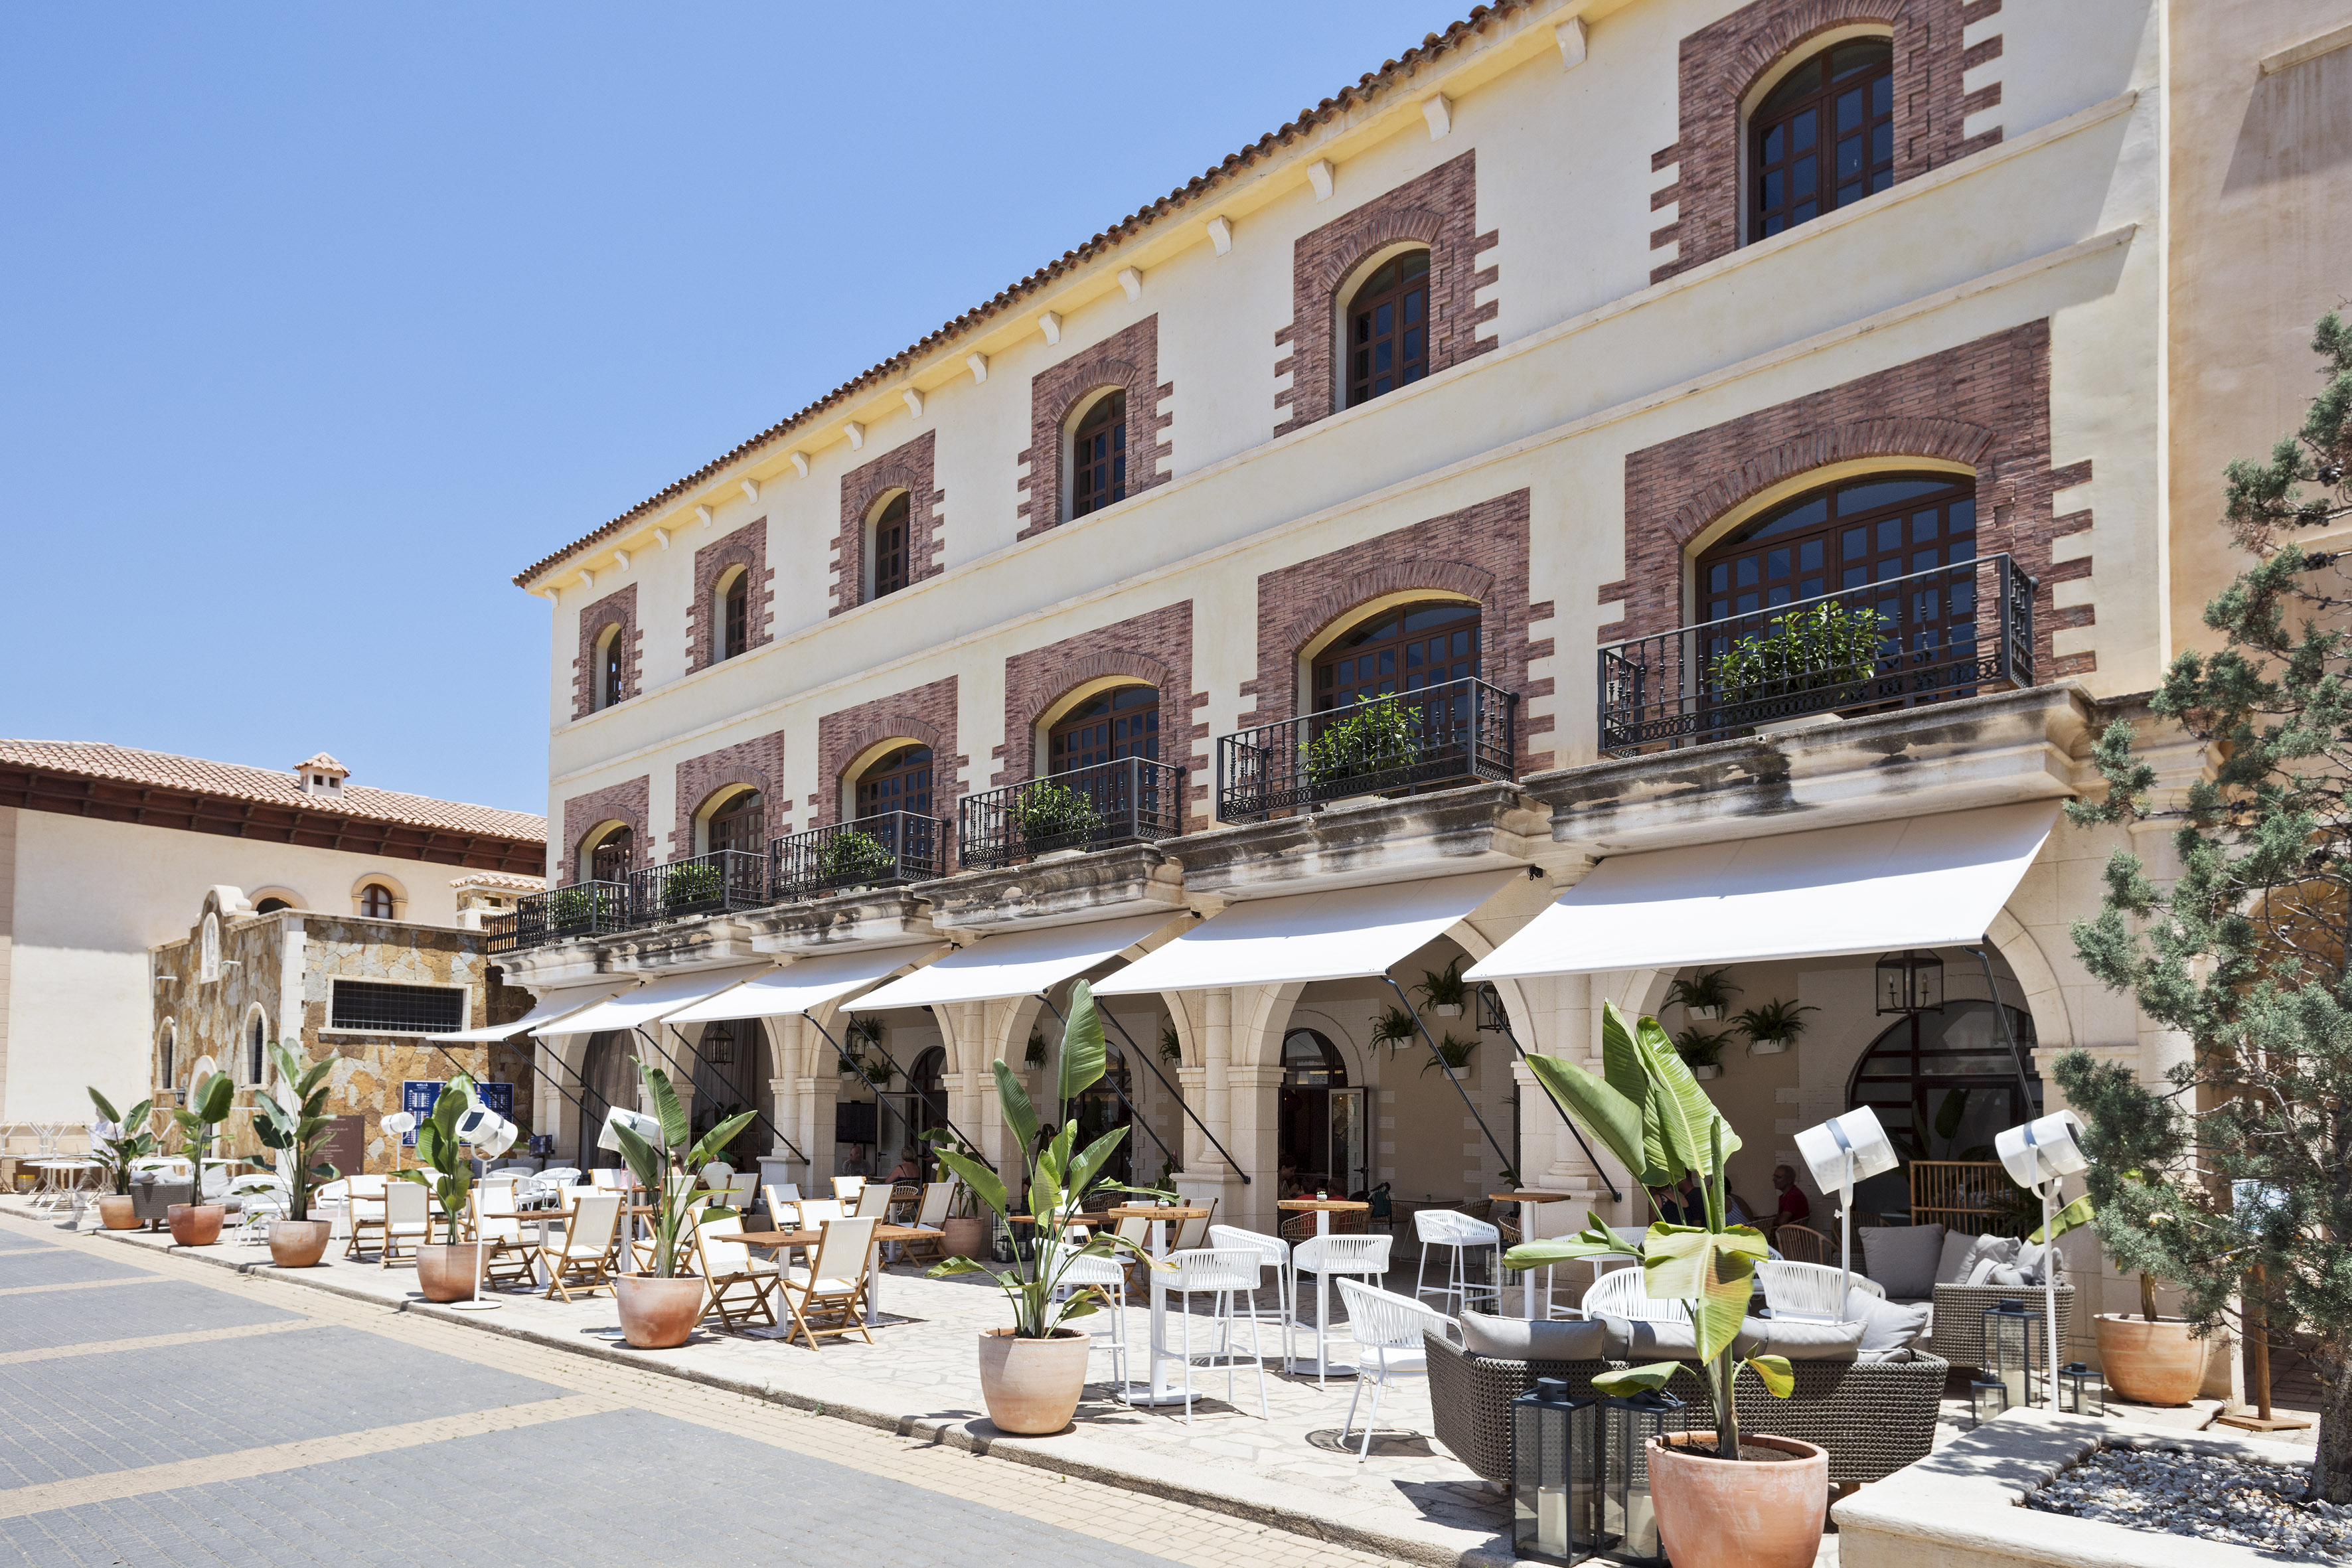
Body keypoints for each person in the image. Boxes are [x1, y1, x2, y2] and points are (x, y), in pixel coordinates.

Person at [1772, 1164, 1811, 1228]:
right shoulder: (1785, 1196)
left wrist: (1771, 1222)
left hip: (1793, 1235)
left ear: (1789, 1180)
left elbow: (1782, 1221)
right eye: (1774, 1176)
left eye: (1778, 1177)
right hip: (1787, 1233)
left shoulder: (1793, 1196)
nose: (1774, 1179)